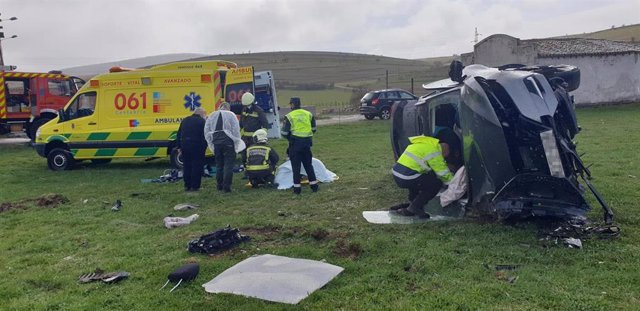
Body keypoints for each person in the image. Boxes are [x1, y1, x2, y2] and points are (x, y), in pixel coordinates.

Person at [391, 134, 453, 218]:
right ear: (444, 151)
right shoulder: (434, 151)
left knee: (420, 179)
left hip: (397, 174)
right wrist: (452, 183)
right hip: (408, 177)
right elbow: (442, 172)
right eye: (445, 157)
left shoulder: (419, 145)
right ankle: (414, 207)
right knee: (436, 183)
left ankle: (412, 203)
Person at [204, 102, 245, 193]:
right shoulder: (231, 115)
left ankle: (219, 185)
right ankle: (226, 187)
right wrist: (237, 142)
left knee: (219, 165)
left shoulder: (212, 115)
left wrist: (211, 142)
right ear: (228, 108)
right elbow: (236, 130)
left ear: (220, 107)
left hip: (216, 143)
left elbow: (207, 130)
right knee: (228, 165)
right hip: (228, 143)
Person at [281, 97, 318, 194]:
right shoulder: (308, 114)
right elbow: (313, 129)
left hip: (295, 144)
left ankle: (297, 189)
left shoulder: (289, 116)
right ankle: (314, 186)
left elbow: (284, 133)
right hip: (307, 144)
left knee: (296, 168)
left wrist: (291, 138)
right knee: (308, 165)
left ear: (292, 105)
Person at [176, 107, 207, 192]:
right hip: (197, 146)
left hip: (185, 146)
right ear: (201, 114)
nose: (205, 116)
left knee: (187, 166)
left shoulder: (185, 120)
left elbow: (179, 134)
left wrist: (179, 147)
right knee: (196, 166)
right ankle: (195, 186)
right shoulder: (202, 121)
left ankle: (187, 185)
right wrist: (204, 147)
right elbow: (204, 136)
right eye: (205, 114)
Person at [239, 92, 268, 163]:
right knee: (244, 154)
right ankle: (246, 168)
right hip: (245, 138)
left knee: (254, 153)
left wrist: (261, 137)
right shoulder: (244, 110)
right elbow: (241, 124)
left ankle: (255, 166)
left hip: (255, 137)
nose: (246, 106)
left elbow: (265, 124)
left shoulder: (258, 110)